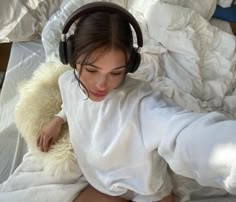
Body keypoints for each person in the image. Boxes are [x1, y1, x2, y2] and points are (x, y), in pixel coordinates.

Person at [37, 2, 236, 202]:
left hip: (147, 192)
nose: (101, 84)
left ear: (130, 66)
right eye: (91, 70)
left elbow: (181, 132)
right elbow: (73, 100)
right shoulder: (67, 82)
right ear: (71, 56)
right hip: (104, 183)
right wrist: (59, 119)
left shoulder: (142, 103)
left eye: (116, 73)